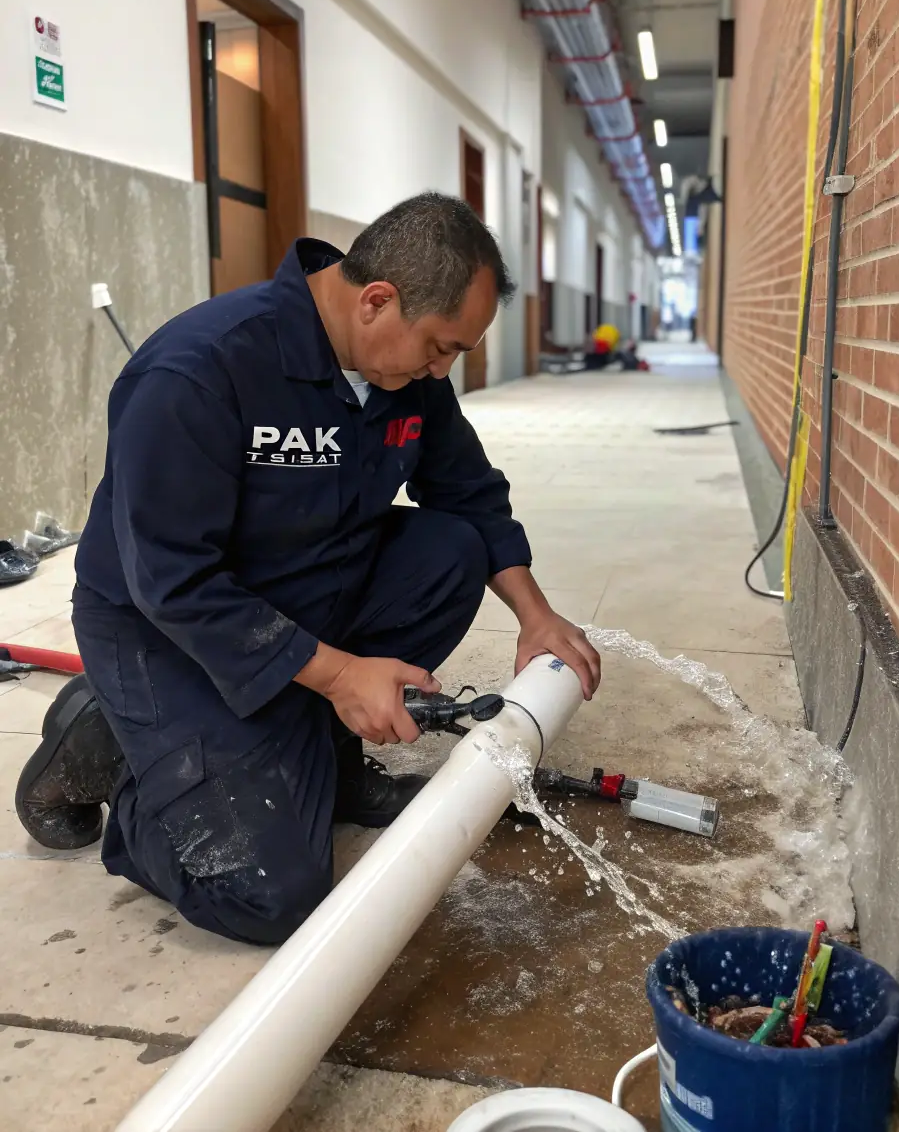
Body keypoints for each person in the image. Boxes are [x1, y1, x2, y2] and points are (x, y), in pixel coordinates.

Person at [16, 193, 600, 945]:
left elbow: (469, 493)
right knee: (270, 893)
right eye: (441, 346)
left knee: (452, 551)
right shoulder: (199, 371)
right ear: (376, 301)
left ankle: (321, 756)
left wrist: (535, 615)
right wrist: (339, 675)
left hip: (301, 591)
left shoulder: (406, 376)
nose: (443, 367)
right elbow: (172, 580)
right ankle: (120, 762)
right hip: (164, 632)